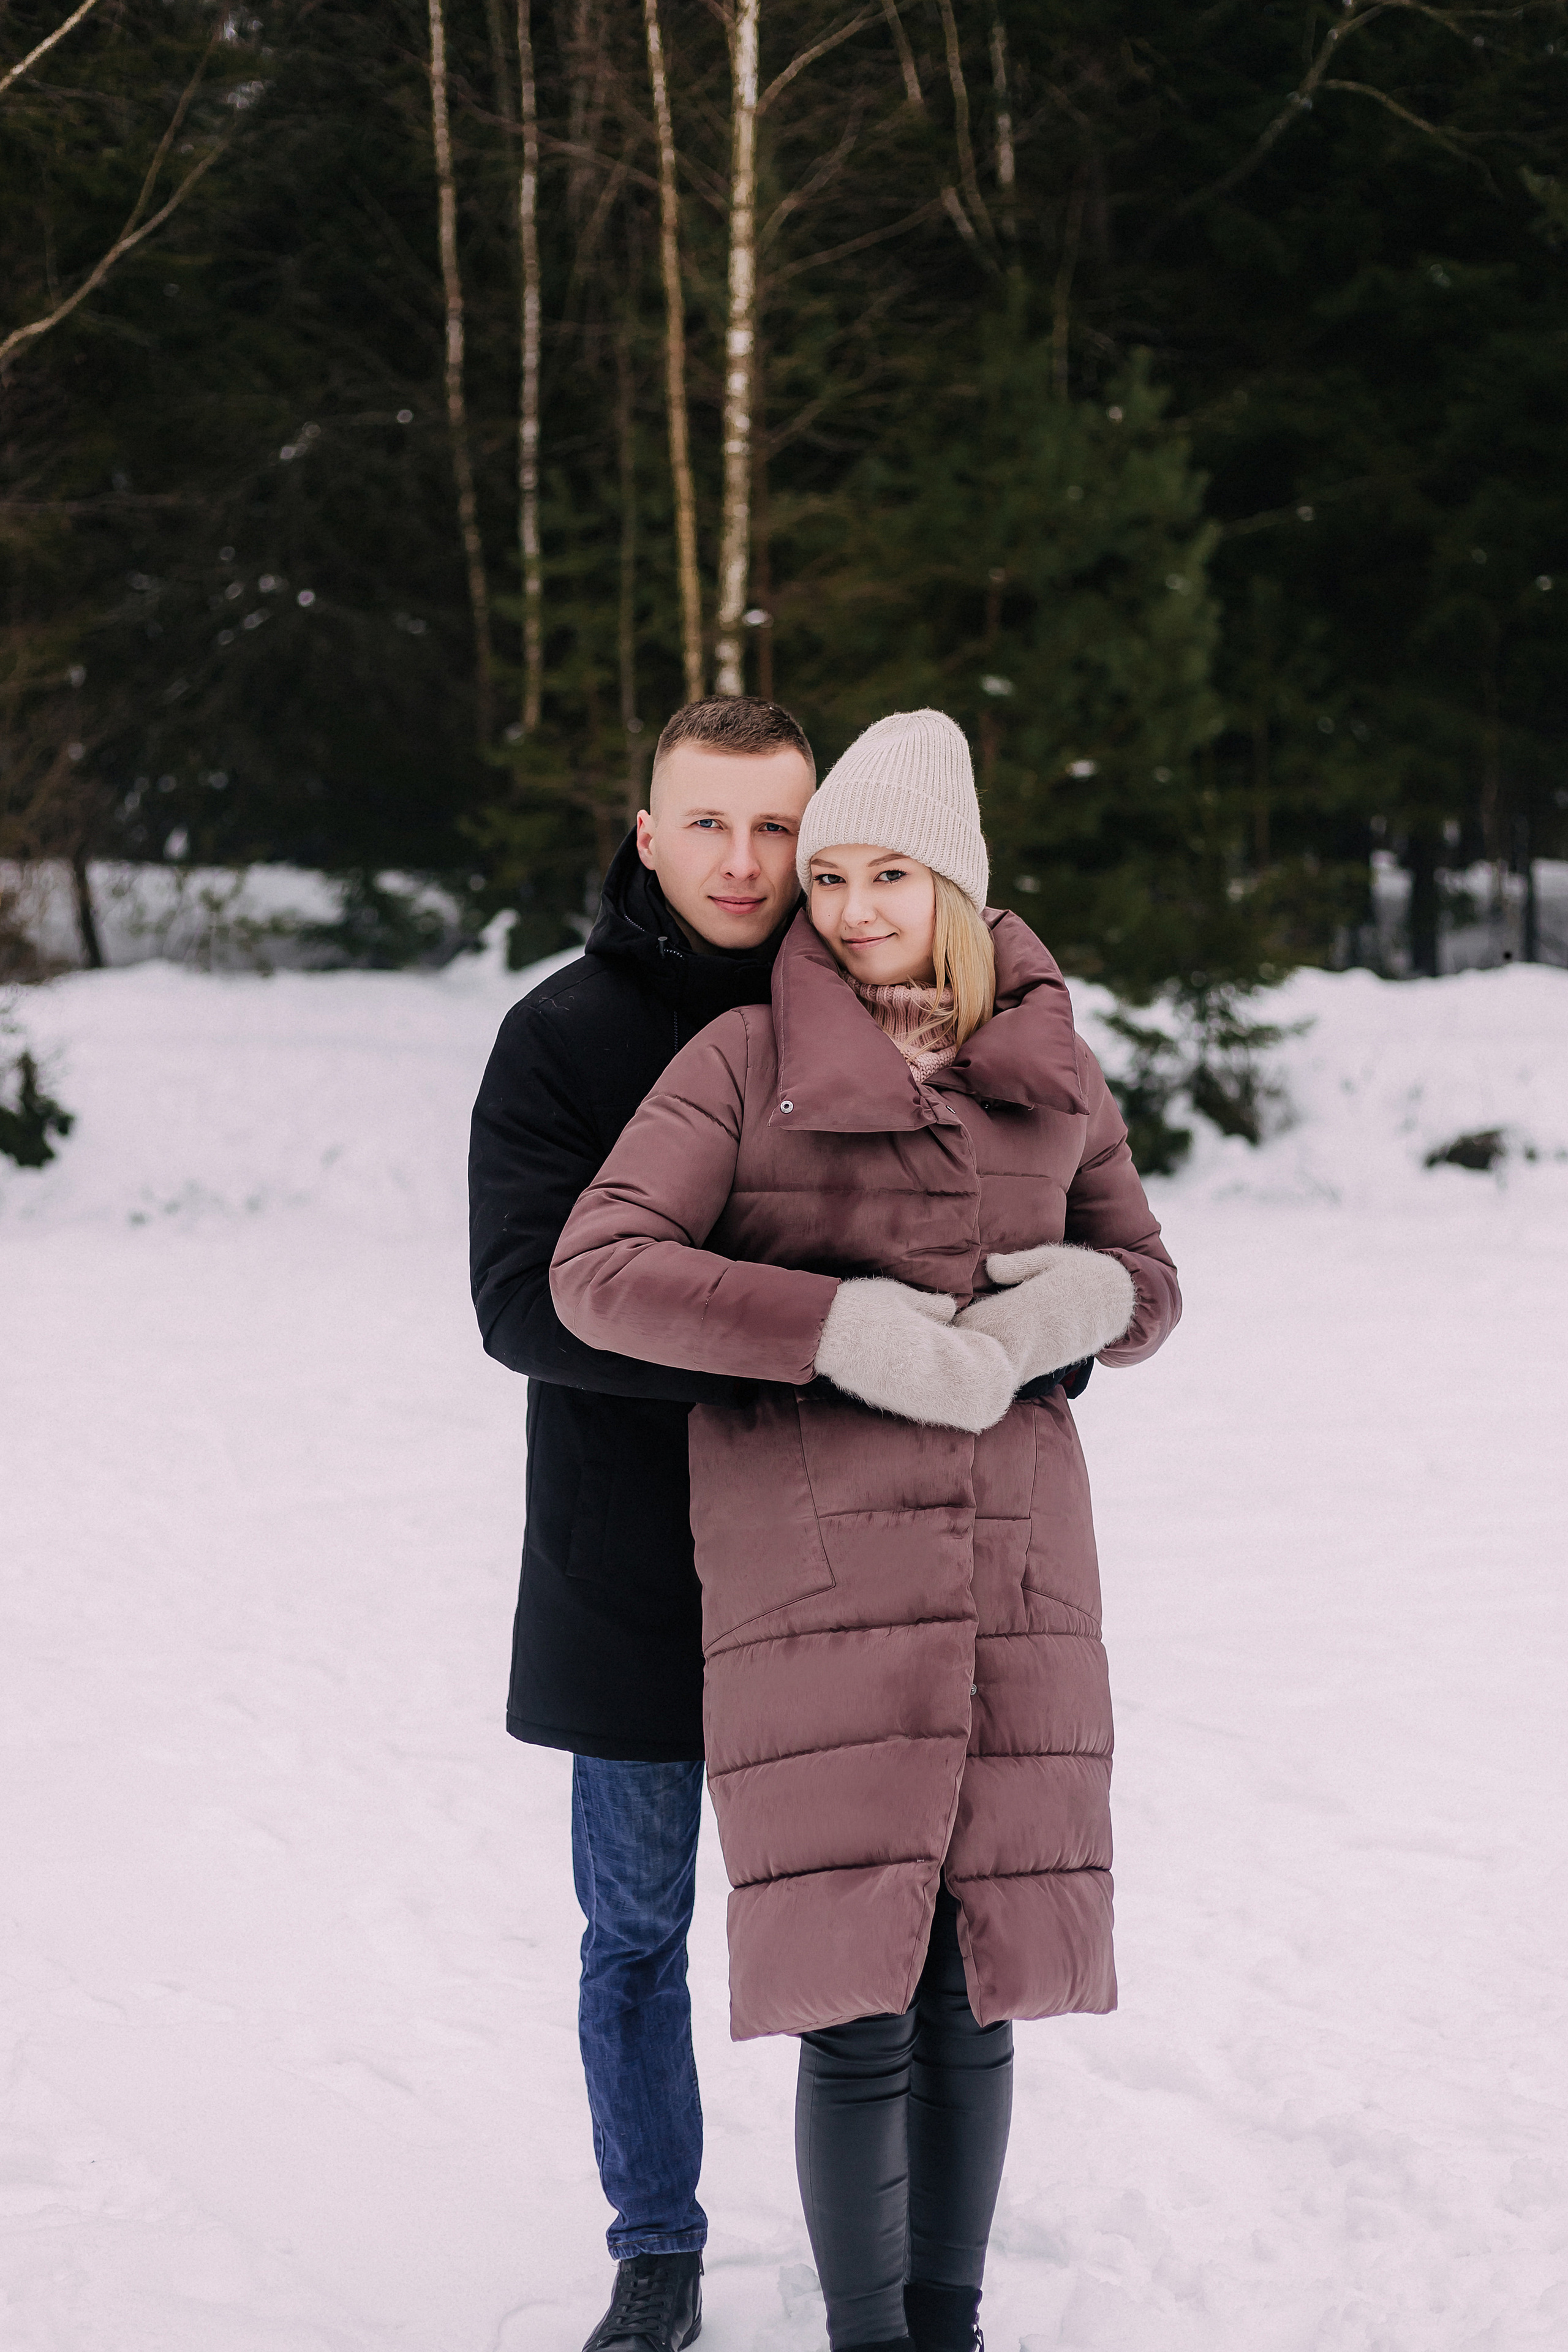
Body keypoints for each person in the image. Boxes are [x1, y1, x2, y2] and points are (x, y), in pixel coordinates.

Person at [549, 709, 1182, 2352]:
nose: (845, 908)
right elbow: (597, 1266)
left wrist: (1092, 1299)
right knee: (860, 2003)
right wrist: (836, 1328)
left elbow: (1150, 1278)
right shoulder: (747, 1059)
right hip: (822, 1580)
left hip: (1014, 1580)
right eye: (826, 876)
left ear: (957, 883)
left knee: (977, 1993)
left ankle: (948, 2327)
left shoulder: (1050, 1063)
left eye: (884, 873)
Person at [469, 697, 818, 2352]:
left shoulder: (881, 1018)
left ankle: (878, 2263)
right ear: (647, 833)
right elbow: (525, 1306)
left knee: (860, 1935)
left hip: (843, 1566)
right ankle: (657, 2255)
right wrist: (808, 1338)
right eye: (710, 824)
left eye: (776, 829)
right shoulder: (559, 1037)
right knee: (635, 1933)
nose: (743, 863)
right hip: (628, 1570)